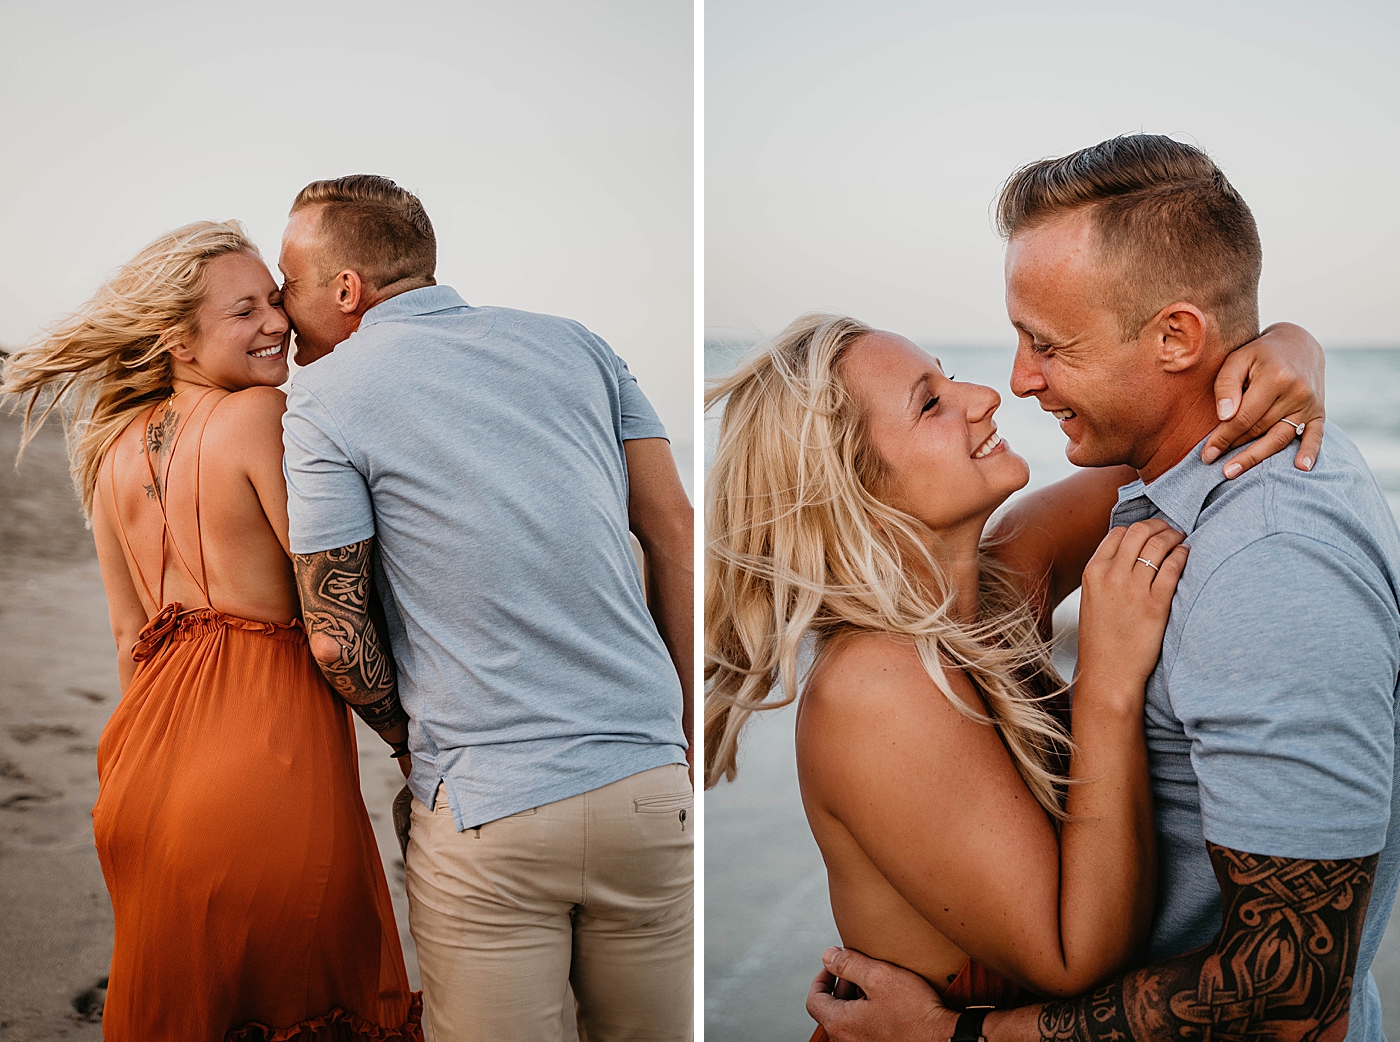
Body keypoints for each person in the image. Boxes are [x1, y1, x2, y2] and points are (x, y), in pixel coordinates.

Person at [806, 135, 1400, 1042]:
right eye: (930, 399)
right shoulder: (1127, 510)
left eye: (1047, 343)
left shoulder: (1267, 557)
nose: (1010, 384)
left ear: (1176, 335)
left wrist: (956, 1037)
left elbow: (1290, 991)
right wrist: (1283, 344)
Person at [705, 309, 1322, 1024]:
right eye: (931, 403)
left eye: (951, 376)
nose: (986, 397)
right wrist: (1107, 684)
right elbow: (1074, 958)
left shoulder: (998, 582)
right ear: (856, 492)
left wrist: (1292, 351)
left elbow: (1176, 440)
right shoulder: (873, 687)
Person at [276, 174, 694, 1042]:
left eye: (291, 281)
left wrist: (404, 738)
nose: (282, 309)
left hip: (483, 804)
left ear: (345, 291)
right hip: (649, 790)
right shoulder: (577, 344)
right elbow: (676, 534)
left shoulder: (322, 397)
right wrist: (677, 729)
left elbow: (334, 635)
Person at [1, 222, 421, 1040]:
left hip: (140, 773)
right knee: (306, 1003)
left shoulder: (110, 451)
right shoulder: (261, 415)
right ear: (178, 342)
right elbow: (334, 599)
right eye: (245, 312)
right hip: (265, 765)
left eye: (275, 299)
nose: (278, 323)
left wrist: (154, 768)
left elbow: (130, 633)